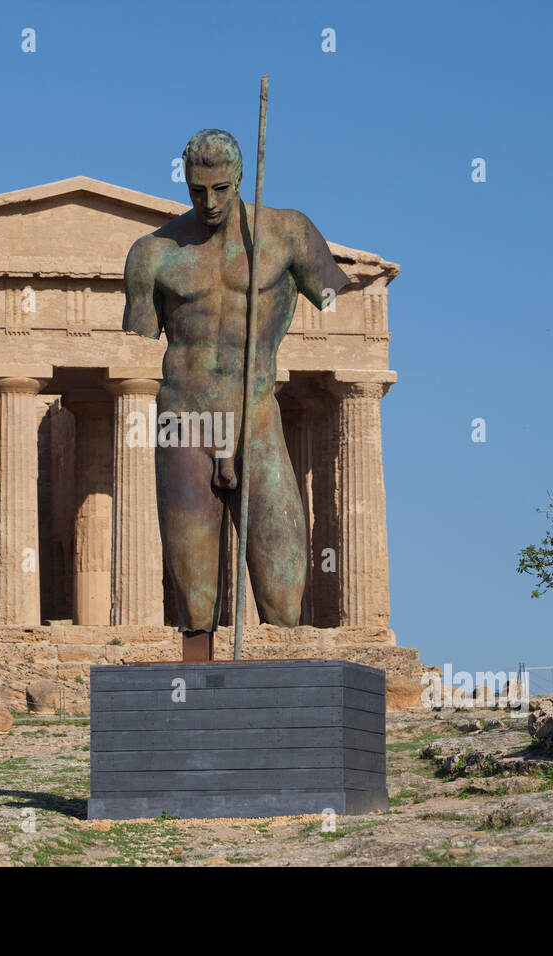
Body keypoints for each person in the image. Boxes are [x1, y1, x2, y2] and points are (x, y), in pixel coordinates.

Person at [123, 129, 352, 659]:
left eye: (221, 189)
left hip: (255, 414)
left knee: (282, 584)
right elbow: (142, 335)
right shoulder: (152, 254)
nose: (209, 201)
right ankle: (197, 688)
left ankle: (284, 687)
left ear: (242, 178)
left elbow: (336, 297)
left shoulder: (289, 233)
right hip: (185, 420)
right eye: (197, 190)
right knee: (195, 594)